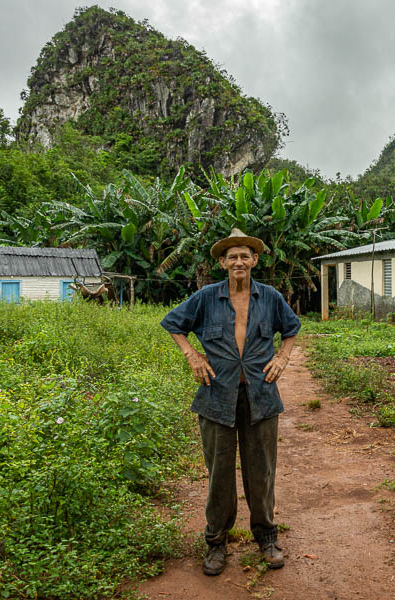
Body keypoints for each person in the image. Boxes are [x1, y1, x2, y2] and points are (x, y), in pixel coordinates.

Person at [160, 228, 301, 576]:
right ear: (222, 263)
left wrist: (282, 358)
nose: (239, 261)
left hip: (261, 397)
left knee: (262, 472)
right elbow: (172, 324)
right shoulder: (207, 297)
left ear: (254, 261)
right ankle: (216, 543)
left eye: (245, 255)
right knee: (219, 474)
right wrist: (193, 356)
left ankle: (267, 537)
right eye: (232, 256)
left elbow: (292, 328)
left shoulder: (270, 297)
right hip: (216, 397)